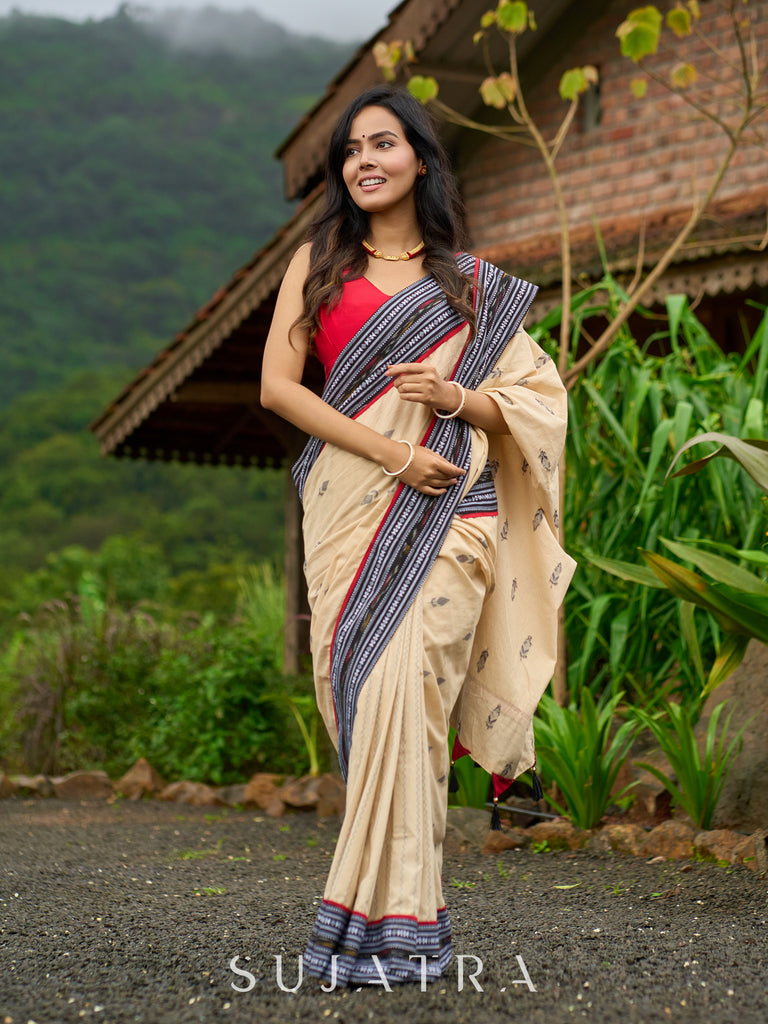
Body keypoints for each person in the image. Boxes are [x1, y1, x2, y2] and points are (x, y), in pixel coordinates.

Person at [261, 84, 575, 988]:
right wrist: (392, 452)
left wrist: (457, 401)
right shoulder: (316, 264)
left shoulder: (471, 285)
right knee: (368, 699)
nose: (364, 160)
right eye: (350, 149)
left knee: (411, 701)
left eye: (383, 144)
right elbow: (281, 391)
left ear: (422, 162)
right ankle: (388, 925)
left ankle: (395, 930)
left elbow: (536, 402)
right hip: (354, 512)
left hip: (453, 521)